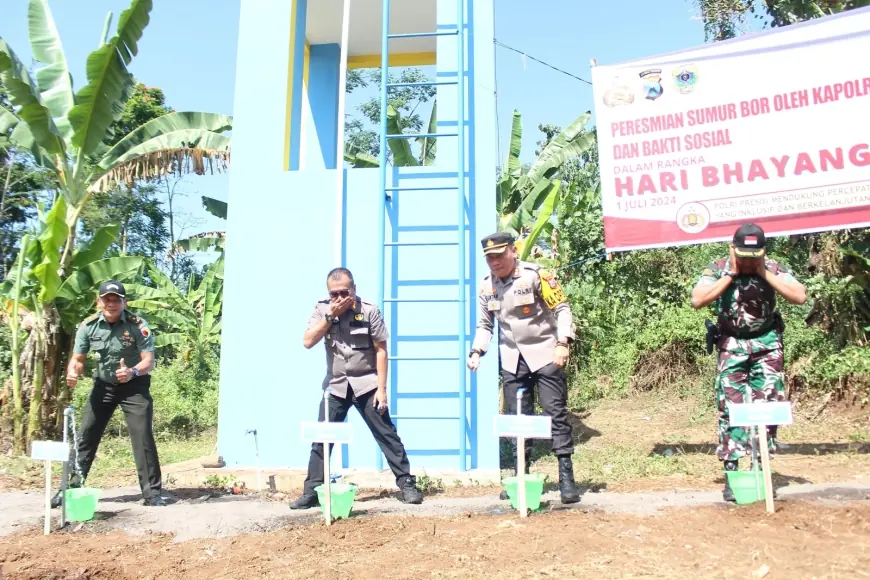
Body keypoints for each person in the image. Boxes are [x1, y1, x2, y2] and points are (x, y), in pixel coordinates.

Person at [289, 268, 424, 509]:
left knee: (387, 435)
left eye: (344, 292)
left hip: (367, 384)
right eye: (334, 294)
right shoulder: (322, 309)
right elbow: (308, 341)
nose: (339, 298)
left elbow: (381, 350)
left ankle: (407, 484)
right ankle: (311, 491)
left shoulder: (369, 310)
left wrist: (382, 389)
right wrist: (330, 316)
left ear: (354, 289)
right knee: (322, 439)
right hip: (336, 385)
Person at [691, 223, 807, 502]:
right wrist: (731, 274)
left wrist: (763, 272)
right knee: (731, 407)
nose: (747, 259)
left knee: (767, 406)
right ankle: (732, 473)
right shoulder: (718, 268)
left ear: (763, 251)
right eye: (742, 254)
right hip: (732, 345)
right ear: (732, 248)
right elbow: (697, 300)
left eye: (753, 255)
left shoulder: (771, 267)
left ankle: (760, 470)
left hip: (766, 345)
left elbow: (800, 296)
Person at [468, 232, 581, 504]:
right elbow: (485, 325)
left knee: (555, 413)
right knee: (518, 420)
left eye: (498, 255)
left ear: (513, 251)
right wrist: (476, 351)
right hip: (512, 360)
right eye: (489, 258)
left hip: (545, 354)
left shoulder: (535, 275)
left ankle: (566, 477)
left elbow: (562, 309)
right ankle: (520, 476)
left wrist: (563, 342)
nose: (494, 262)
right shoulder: (487, 287)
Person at [53, 280, 164, 508]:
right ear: (99, 302)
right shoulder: (88, 326)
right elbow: (77, 359)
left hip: (135, 387)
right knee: (85, 435)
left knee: (143, 437)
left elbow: (148, 361)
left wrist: (132, 371)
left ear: (124, 302)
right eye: (107, 299)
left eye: (116, 299)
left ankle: (152, 494)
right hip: (103, 387)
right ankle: (70, 489)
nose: (111, 304)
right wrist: (73, 372)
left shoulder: (138, 325)